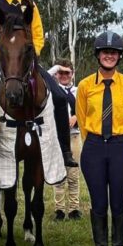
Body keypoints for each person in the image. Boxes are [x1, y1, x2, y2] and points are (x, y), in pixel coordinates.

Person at [0, 0, 77, 168]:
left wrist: (31, 55)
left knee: (60, 97)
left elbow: (38, 35)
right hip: (3, 61)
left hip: (27, 60)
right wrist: (2, 54)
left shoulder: (30, 5)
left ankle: (65, 150)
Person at [77, 31, 123, 246]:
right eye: (105, 51)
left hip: (120, 146)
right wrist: (93, 142)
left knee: (119, 203)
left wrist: (122, 143)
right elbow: (82, 119)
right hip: (93, 146)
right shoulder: (85, 86)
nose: (109, 55)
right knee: (99, 205)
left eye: (113, 52)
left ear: (119, 56)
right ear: (98, 55)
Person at [48, 58, 82, 221]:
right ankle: (59, 209)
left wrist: (76, 117)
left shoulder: (79, 91)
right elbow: (42, 77)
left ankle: (74, 208)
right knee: (59, 175)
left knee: (74, 174)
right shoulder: (51, 91)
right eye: (60, 73)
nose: (63, 76)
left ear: (72, 74)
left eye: (66, 72)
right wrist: (54, 69)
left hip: (74, 135)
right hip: (57, 138)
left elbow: (88, 111)